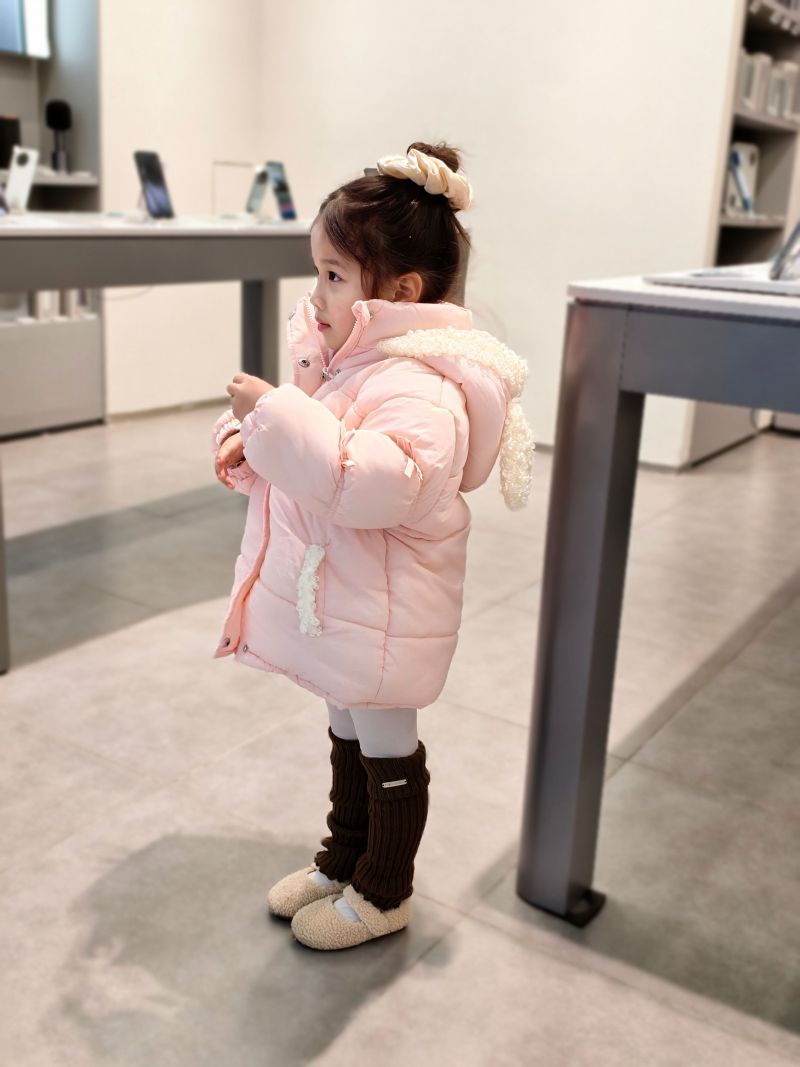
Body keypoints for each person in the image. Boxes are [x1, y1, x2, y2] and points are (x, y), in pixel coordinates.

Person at [211, 142, 535, 951]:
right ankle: (342, 860)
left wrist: (275, 416)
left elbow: (366, 481)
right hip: (346, 601)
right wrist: (253, 441)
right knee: (347, 736)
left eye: (332, 275)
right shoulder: (349, 367)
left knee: (387, 748)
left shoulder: (421, 389)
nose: (314, 293)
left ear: (401, 292)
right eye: (316, 272)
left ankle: (384, 891)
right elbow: (308, 470)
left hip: (385, 611)